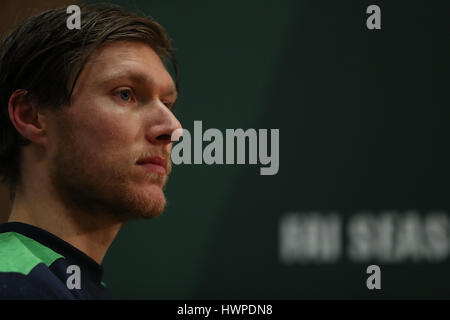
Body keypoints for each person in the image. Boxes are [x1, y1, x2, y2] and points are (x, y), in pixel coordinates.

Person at [0, 3, 181, 299]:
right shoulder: (13, 283)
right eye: (126, 94)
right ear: (31, 115)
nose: (173, 128)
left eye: (168, 103)